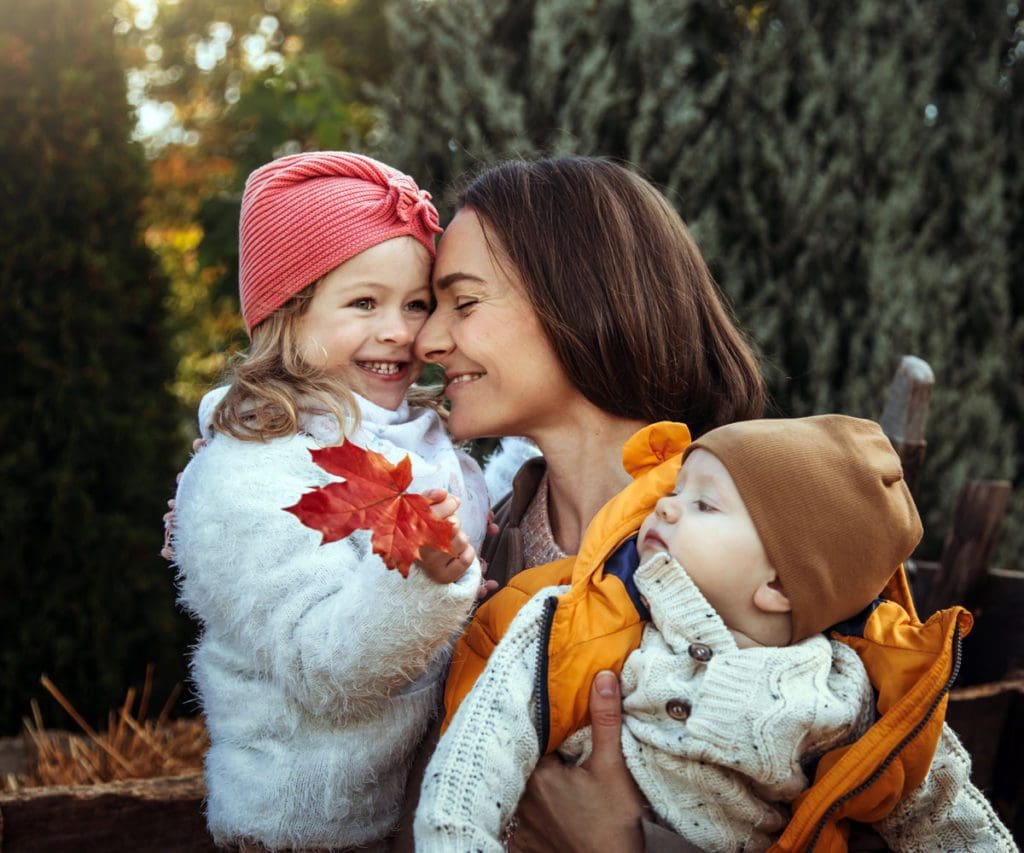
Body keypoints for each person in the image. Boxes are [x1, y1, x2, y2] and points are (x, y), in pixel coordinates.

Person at [416, 415, 1015, 852]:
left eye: (705, 506)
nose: (666, 508)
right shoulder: (581, 623)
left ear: (779, 586)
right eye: (674, 492)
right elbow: (478, 755)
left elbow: (947, 818)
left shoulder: (861, 700)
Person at [395, 156, 767, 851]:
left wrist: (620, 844)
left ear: (580, 297)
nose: (428, 340)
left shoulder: (764, 537)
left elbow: (881, 804)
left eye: (464, 301)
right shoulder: (474, 551)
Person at [169, 152, 491, 852]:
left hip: (422, 811)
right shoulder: (247, 475)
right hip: (308, 826)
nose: (401, 331)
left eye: (416, 303)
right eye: (363, 302)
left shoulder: (433, 444)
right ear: (287, 313)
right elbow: (325, 669)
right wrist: (424, 580)